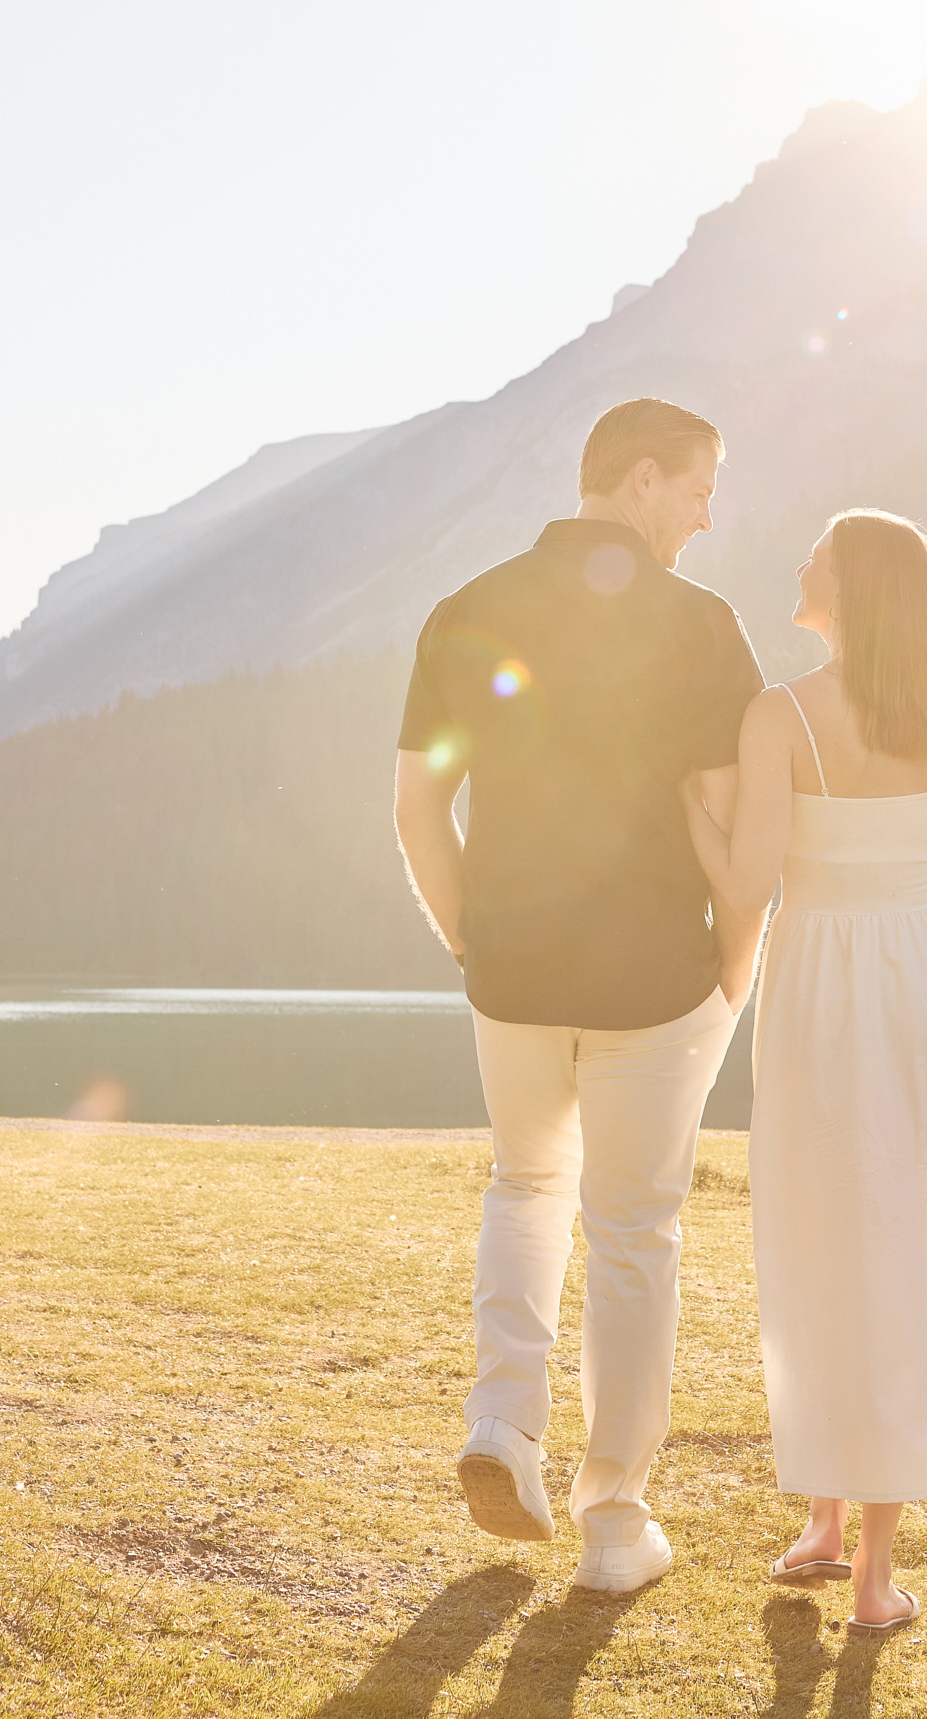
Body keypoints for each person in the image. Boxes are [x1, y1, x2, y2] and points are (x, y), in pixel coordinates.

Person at [394, 397, 765, 1593]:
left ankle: (502, 1426)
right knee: (634, 1233)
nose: (710, 511)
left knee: (524, 1184)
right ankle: (615, 1522)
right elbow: (723, 818)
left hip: (512, 974)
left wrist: (471, 940)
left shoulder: (470, 609)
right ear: (643, 479)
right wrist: (738, 954)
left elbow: (416, 808)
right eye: (700, 484)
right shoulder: (701, 625)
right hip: (657, 981)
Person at [681, 509, 927, 1636]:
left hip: (824, 971)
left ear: (854, 589)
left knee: (824, 1223)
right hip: (918, 968)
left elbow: (745, 879)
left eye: (816, 557)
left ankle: (851, 1546)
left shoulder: (779, 716)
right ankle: (849, 1540)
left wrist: (688, 797)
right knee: (902, 1234)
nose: (799, 565)